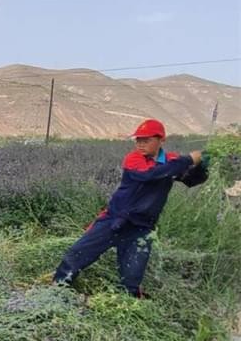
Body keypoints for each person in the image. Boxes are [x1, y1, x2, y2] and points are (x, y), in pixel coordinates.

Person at [53, 119, 208, 297]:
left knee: (132, 276)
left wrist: (203, 164)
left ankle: (128, 302)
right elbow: (151, 175)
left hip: (141, 228)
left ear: (161, 140)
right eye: (138, 140)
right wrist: (188, 159)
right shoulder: (134, 159)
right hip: (115, 219)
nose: (140, 144)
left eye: (146, 140)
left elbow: (191, 180)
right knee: (77, 254)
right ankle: (57, 291)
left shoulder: (171, 162)